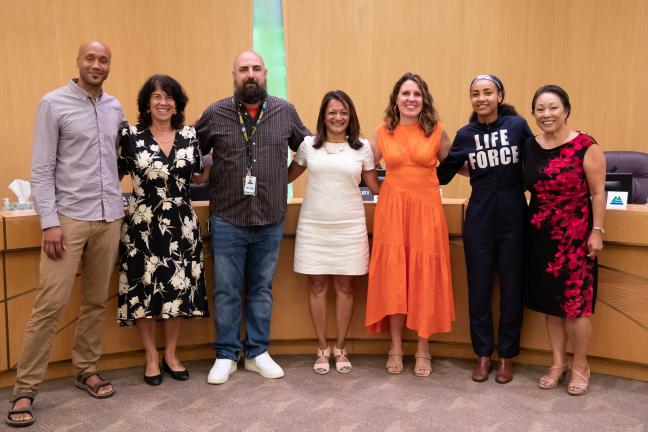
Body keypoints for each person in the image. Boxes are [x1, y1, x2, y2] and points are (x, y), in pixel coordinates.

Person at [7, 41, 123, 428]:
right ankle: (25, 388)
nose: (96, 64)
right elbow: (40, 168)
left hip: (109, 218)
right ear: (78, 62)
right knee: (50, 304)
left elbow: (117, 160)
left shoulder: (114, 107)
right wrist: (49, 222)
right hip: (68, 219)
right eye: (90, 58)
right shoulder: (53, 103)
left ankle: (86, 368)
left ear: (108, 66)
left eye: (103, 59)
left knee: (95, 302)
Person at [195, 51, 310, 384]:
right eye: (243, 69)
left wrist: (282, 178)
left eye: (256, 69)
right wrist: (205, 173)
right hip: (228, 217)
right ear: (234, 75)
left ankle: (257, 352)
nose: (250, 74)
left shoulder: (284, 111)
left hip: (270, 217)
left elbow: (306, 149)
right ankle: (226, 354)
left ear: (265, 73)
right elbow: (191, 152)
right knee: (227, 290)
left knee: (261, 289)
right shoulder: (215, 113)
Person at [436, 74, 533, 383]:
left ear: (500, 96)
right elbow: (442, 175)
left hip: (514, 215)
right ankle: (482, 355)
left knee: (511, 287)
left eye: (487, 92)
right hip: (478, 217)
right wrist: (431, 141)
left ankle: (505, 356)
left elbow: (537, 157)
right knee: (478, 289)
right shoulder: (465, 135)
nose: (481, 98)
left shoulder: (516, 127)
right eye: (476, 93)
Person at [117, 75, 209, 385]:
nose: (163, 102)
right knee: (144, 289)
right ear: (146, 102)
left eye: (169, 97)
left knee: (178, 289)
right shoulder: (129, 135)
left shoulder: (189, 135)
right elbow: (112, 177)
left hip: (182, 223)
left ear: (177, 103)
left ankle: (170, 353)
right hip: (143, 222)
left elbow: (198, 175)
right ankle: (151, 356)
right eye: (156, 96)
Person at [365, 72, 455, 377]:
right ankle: (395, 347)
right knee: (395, 276)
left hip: (427, 210)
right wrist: (381, 192)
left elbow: (455, 166)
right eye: (405, 93)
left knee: (423, 275)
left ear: (424, 99)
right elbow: (365, 166)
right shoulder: (382, 131)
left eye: (417, 94)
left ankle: (423, 349)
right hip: (393, 210)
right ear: (396, 99)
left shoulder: (437, 130)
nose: (411, 99)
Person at [288, 90, 381, 374]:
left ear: (350, 116)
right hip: (314, 226)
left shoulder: (362, 148)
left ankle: (340, 348)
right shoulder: (307, 146)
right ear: (323, 117)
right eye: (332, 112)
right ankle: (321, 347)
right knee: (316, 286)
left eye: (343, 112)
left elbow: (376, 187)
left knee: (345, 286)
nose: (337, 117)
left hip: (349, 226)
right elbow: (285, 177)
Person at [523, 84, 605, 395]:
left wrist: (597, 231)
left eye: (553, 107)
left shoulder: (586, 145)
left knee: (577, 307)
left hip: (576, 240)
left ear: (566, 110)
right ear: (533, 114)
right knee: (551, 305)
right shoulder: (529, 147)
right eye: (540, 109)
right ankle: (557, 362)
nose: (547, 114)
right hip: (540, 237)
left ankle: (581, 363)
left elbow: (598, 192)